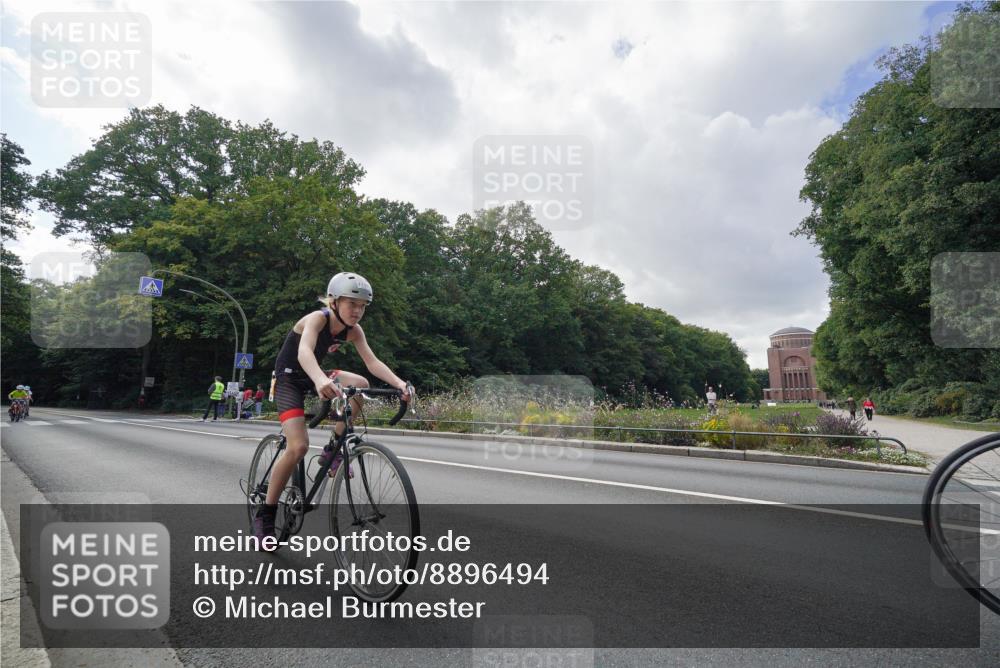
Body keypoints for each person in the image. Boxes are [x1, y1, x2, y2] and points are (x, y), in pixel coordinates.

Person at [253, 272, 411, 546]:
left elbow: (372, 363)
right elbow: (304, 353)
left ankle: (333, 448)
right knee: (298, 447)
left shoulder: (354, 331)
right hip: (290, 377)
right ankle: (265, 515)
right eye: (353, 304)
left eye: (363, 306)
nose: (358, 311)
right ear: (334, 301)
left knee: (360, 384)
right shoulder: (318, 318)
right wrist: (320, 380)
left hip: (318, 374)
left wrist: (400, 384)